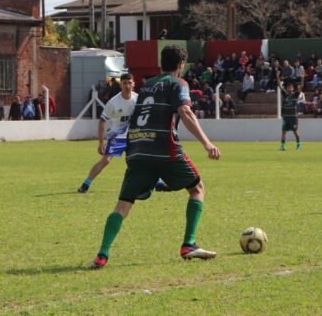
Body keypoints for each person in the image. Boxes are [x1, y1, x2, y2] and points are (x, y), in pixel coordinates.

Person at [89, 45, 220, 269]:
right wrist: (207, 144)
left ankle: (102, 254)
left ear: (161, 64)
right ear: (181, 65)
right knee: (197, 189)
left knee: (122, 205)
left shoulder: (147, 84)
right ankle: (189, 244)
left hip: (138, 150)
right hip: (164, 148)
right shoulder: (178, 83)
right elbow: (185, 112)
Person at [78, 73, 153, 194]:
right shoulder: (113, 102)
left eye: (129, 83)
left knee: (144, 157)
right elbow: (102, 122)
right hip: (116, 136)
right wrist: (101, 143)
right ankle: (86, 183)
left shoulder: (138, 99)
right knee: (106, 160)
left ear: (133, 84)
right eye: (124, 83)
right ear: (120, 84)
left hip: (133, 135)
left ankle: (157, 181)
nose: (127, 86)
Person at [279, 80, 301, 151]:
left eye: (290, 88)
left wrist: (302, 78)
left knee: (295, 131)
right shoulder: (285, 95)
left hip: (293, 117)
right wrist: (277, 76)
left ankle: (299, 145)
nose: (289, 89)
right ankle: (282, 146)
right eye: (288, 88)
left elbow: (301, 87)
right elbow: (280, 86)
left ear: (293, 89)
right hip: (286, 117)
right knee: (283, 131)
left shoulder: (295, 95)